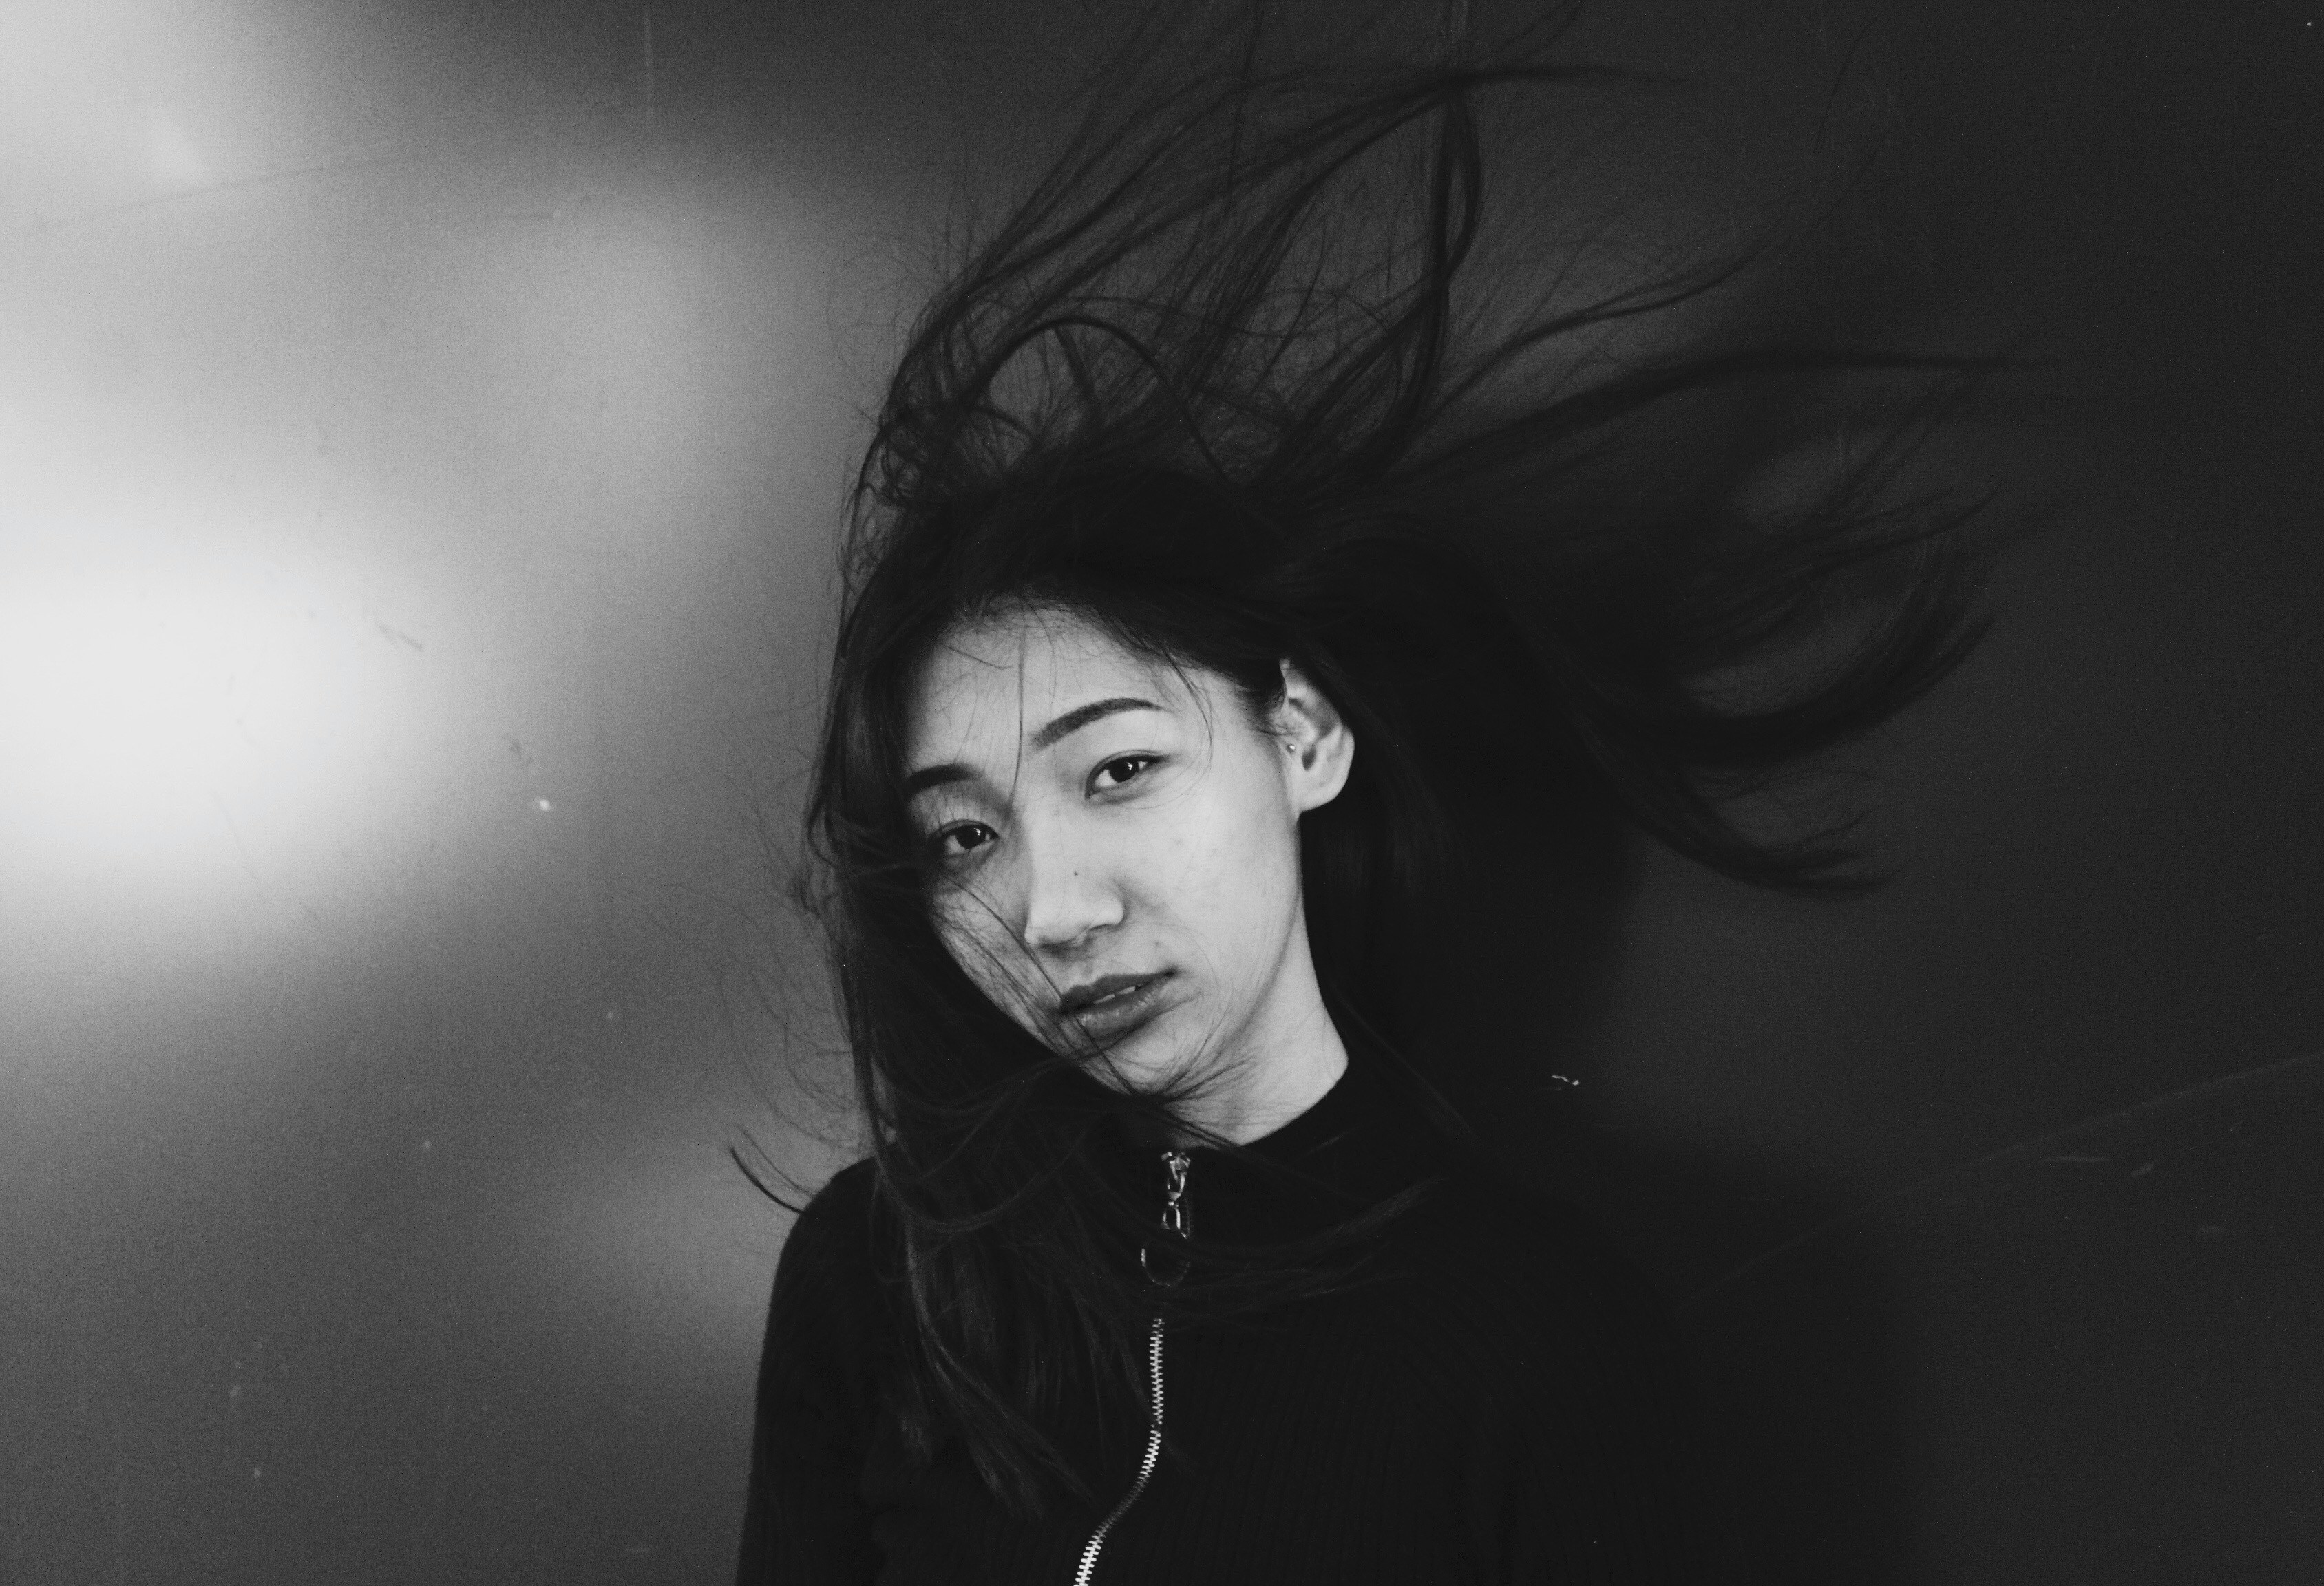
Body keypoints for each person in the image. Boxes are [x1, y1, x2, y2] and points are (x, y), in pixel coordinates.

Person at [736, 3, 1987, 1580]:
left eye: (1120, 770)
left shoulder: (1541, 1333)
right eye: (965, 836)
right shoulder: (877, 1276)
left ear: (1305, 737)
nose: (1053, 909)